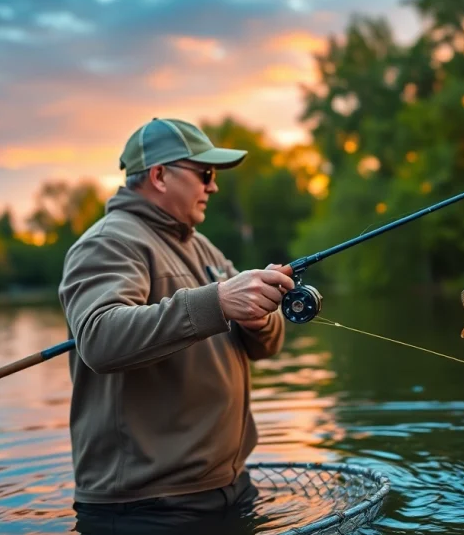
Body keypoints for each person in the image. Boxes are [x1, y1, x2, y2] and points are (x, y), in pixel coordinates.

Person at [57, 117, 296, 534]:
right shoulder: (108, 242)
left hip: (230, 488)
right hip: (145, 509)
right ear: (160, 175)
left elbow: (266, 347)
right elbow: (98, 338)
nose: (213, 186)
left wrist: (260, 317)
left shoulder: (203, 247)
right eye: (205, 173)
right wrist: (218, 300)